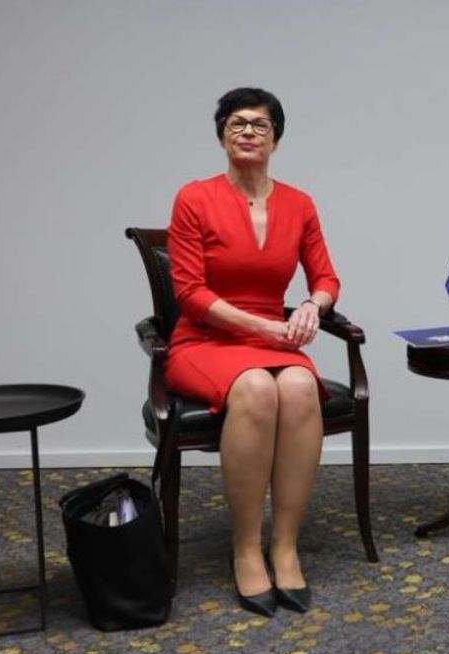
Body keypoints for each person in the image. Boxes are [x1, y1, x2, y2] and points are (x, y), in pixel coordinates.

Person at [165, 87, 340, 617]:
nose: (247, 132)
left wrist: (311, 306)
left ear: (275, 139)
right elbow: (190, 294)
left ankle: (284, 545)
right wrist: (264, 328)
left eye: (260, 125)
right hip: (206, 340)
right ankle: (245, 548)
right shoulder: (194, 198)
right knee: (258, 387)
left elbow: (326, 278)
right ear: (222, 135)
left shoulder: (299, 203)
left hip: (271, 338)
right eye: (236, 123)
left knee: (300, 386)